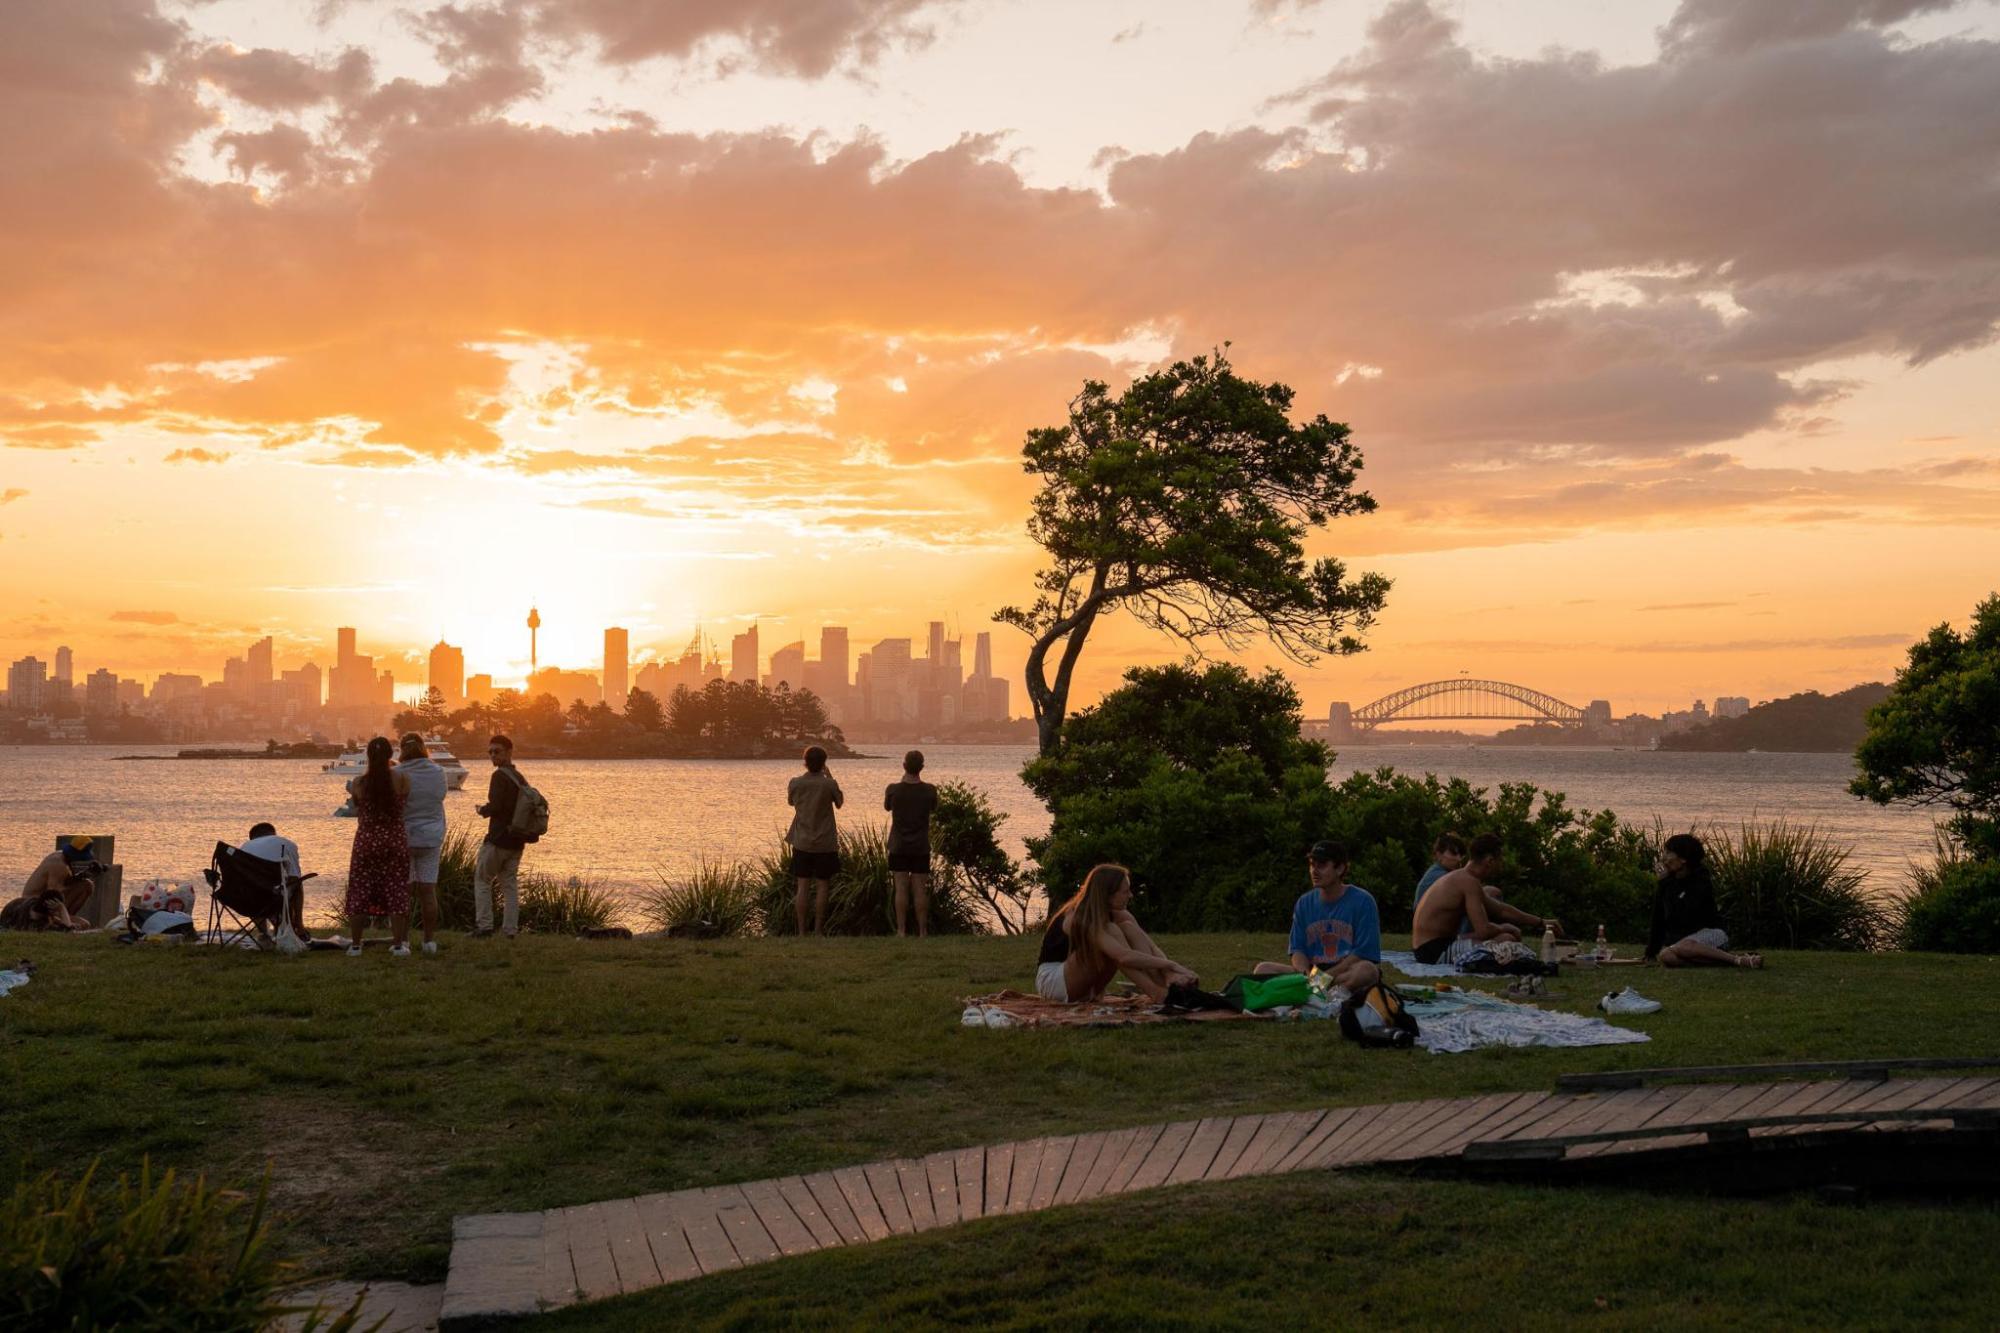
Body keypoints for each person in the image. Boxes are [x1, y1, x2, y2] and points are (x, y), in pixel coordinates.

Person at [1035, 863, 1197, 1003]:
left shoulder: (1121, 914)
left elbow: (1150, 947)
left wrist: (1169, 974)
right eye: (1125, 891)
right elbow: (1123, 956)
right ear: (1108, 895)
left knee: (1128, 928)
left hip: (1078, 977)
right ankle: (1156, 993)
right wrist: (1172, 965)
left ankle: (1164, 987)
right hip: (1054, 982)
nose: (1131, 895)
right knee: (1112, 935)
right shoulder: (1079, 918)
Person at [1254, 840, 1383, 992]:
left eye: (1321, 865)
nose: (1314, 871)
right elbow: (1297, 950)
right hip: (1312, 973)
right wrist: (1307, 976)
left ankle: (1318, 995)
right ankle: (1318, 993)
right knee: (1263, 969)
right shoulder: (1304, 902)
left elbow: (1362, 954)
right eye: (1311, 864)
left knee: (1367, 971)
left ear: (1340, 868)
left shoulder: (1363, 901)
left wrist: (1323, 979)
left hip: (1344, 971)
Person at [1411, 833, 1557, 966]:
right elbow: (1483, 931)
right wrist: (1505, 927)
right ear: (1490, 861)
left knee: (1510, 936)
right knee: (1507, 939)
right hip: (1432, 952)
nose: (1502, 863)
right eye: (1501, 859)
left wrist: (1541, 922)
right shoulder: (1468, 882)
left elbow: (1501, 910)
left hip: (1431, 946)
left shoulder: (1465, 878)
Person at [1648, 832, 1762, 969]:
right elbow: (1658, 916)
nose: (1664, 858)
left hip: (1711, 933)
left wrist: (1666, 883)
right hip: (1681, 943)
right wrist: (1651, 952)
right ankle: (1720, 961)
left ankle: (1737, 960)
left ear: (1683, 859)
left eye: (1668, 853)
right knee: (1666, 956)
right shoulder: (1667, 882)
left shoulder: (1700, 880)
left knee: (1685, 946)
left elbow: (1685, 913)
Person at [344, 737, 412, 956]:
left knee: (360, 890)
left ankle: (355, 945)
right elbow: (405, 803)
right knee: (396, 889)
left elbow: (356, 806)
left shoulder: (358, 783)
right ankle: (399, 944)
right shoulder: (402, 779)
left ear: (368, 756)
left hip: (366, 841)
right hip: (394, 840)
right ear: (391, 755)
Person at [472, 734, 530, 938]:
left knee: (482, 879)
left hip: (498, 839)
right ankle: (510, 929)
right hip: (517, 840)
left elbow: (497, 806)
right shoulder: (520, 778)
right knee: (510, 886)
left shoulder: (499, 776)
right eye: (490, 752)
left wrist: (483, 810)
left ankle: (485, 926)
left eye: (497, 751)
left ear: (509, 752)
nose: (492, 756)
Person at [397, 733, 448, 954]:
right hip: (431, 837)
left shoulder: (396, 773)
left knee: (404, 892)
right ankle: (429, 942)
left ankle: (404, 941)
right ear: (423, 747)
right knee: (428, 891)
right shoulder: (438, 772)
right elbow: (441, 796)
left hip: (404, 837)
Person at [787, 745, 844, 935]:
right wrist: (829, 776)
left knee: (802, 886)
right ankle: (818, 930)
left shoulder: (795, 783)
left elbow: (791, 802)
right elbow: (839, 803)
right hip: (825, 842)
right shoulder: (829, 784)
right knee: (822, 886)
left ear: (805, 762)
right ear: (823, 763)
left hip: (802, 840)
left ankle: (802, 931)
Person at [884, 749, 939, 937]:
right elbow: (933, 808)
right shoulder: (930, 790)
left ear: (904, 766)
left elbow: (887, 807)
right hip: (920, 845)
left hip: (898, 845)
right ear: (922, 768)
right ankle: (923, 931)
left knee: (900, 887)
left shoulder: (893, 789)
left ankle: (901, 930)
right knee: (919, 889)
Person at [241, 822, 309, 940]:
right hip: (275, 896)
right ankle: (299, 927)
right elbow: (294, 877)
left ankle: (264, 933)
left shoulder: (244, 847)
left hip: (248, 898)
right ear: (273, 833)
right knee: (297, 885)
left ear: (252, 837)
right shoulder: (287, 844)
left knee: (253, 890)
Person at [18, 848, 99, 918]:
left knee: (87, 885)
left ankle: (66, 918)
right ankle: (63, 921)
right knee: (83, 924)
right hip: (33, 906)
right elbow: (53, 895)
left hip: (39, 901)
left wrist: (82, 875)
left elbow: (63, 881)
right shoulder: (60, 866)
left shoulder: (59, 856)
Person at [1412, 832, 1467, 915]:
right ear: (1439, 854)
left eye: (1461, 855)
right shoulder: (1440, 876)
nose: (1459, 859)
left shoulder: (1440, 872)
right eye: (1453, 853)